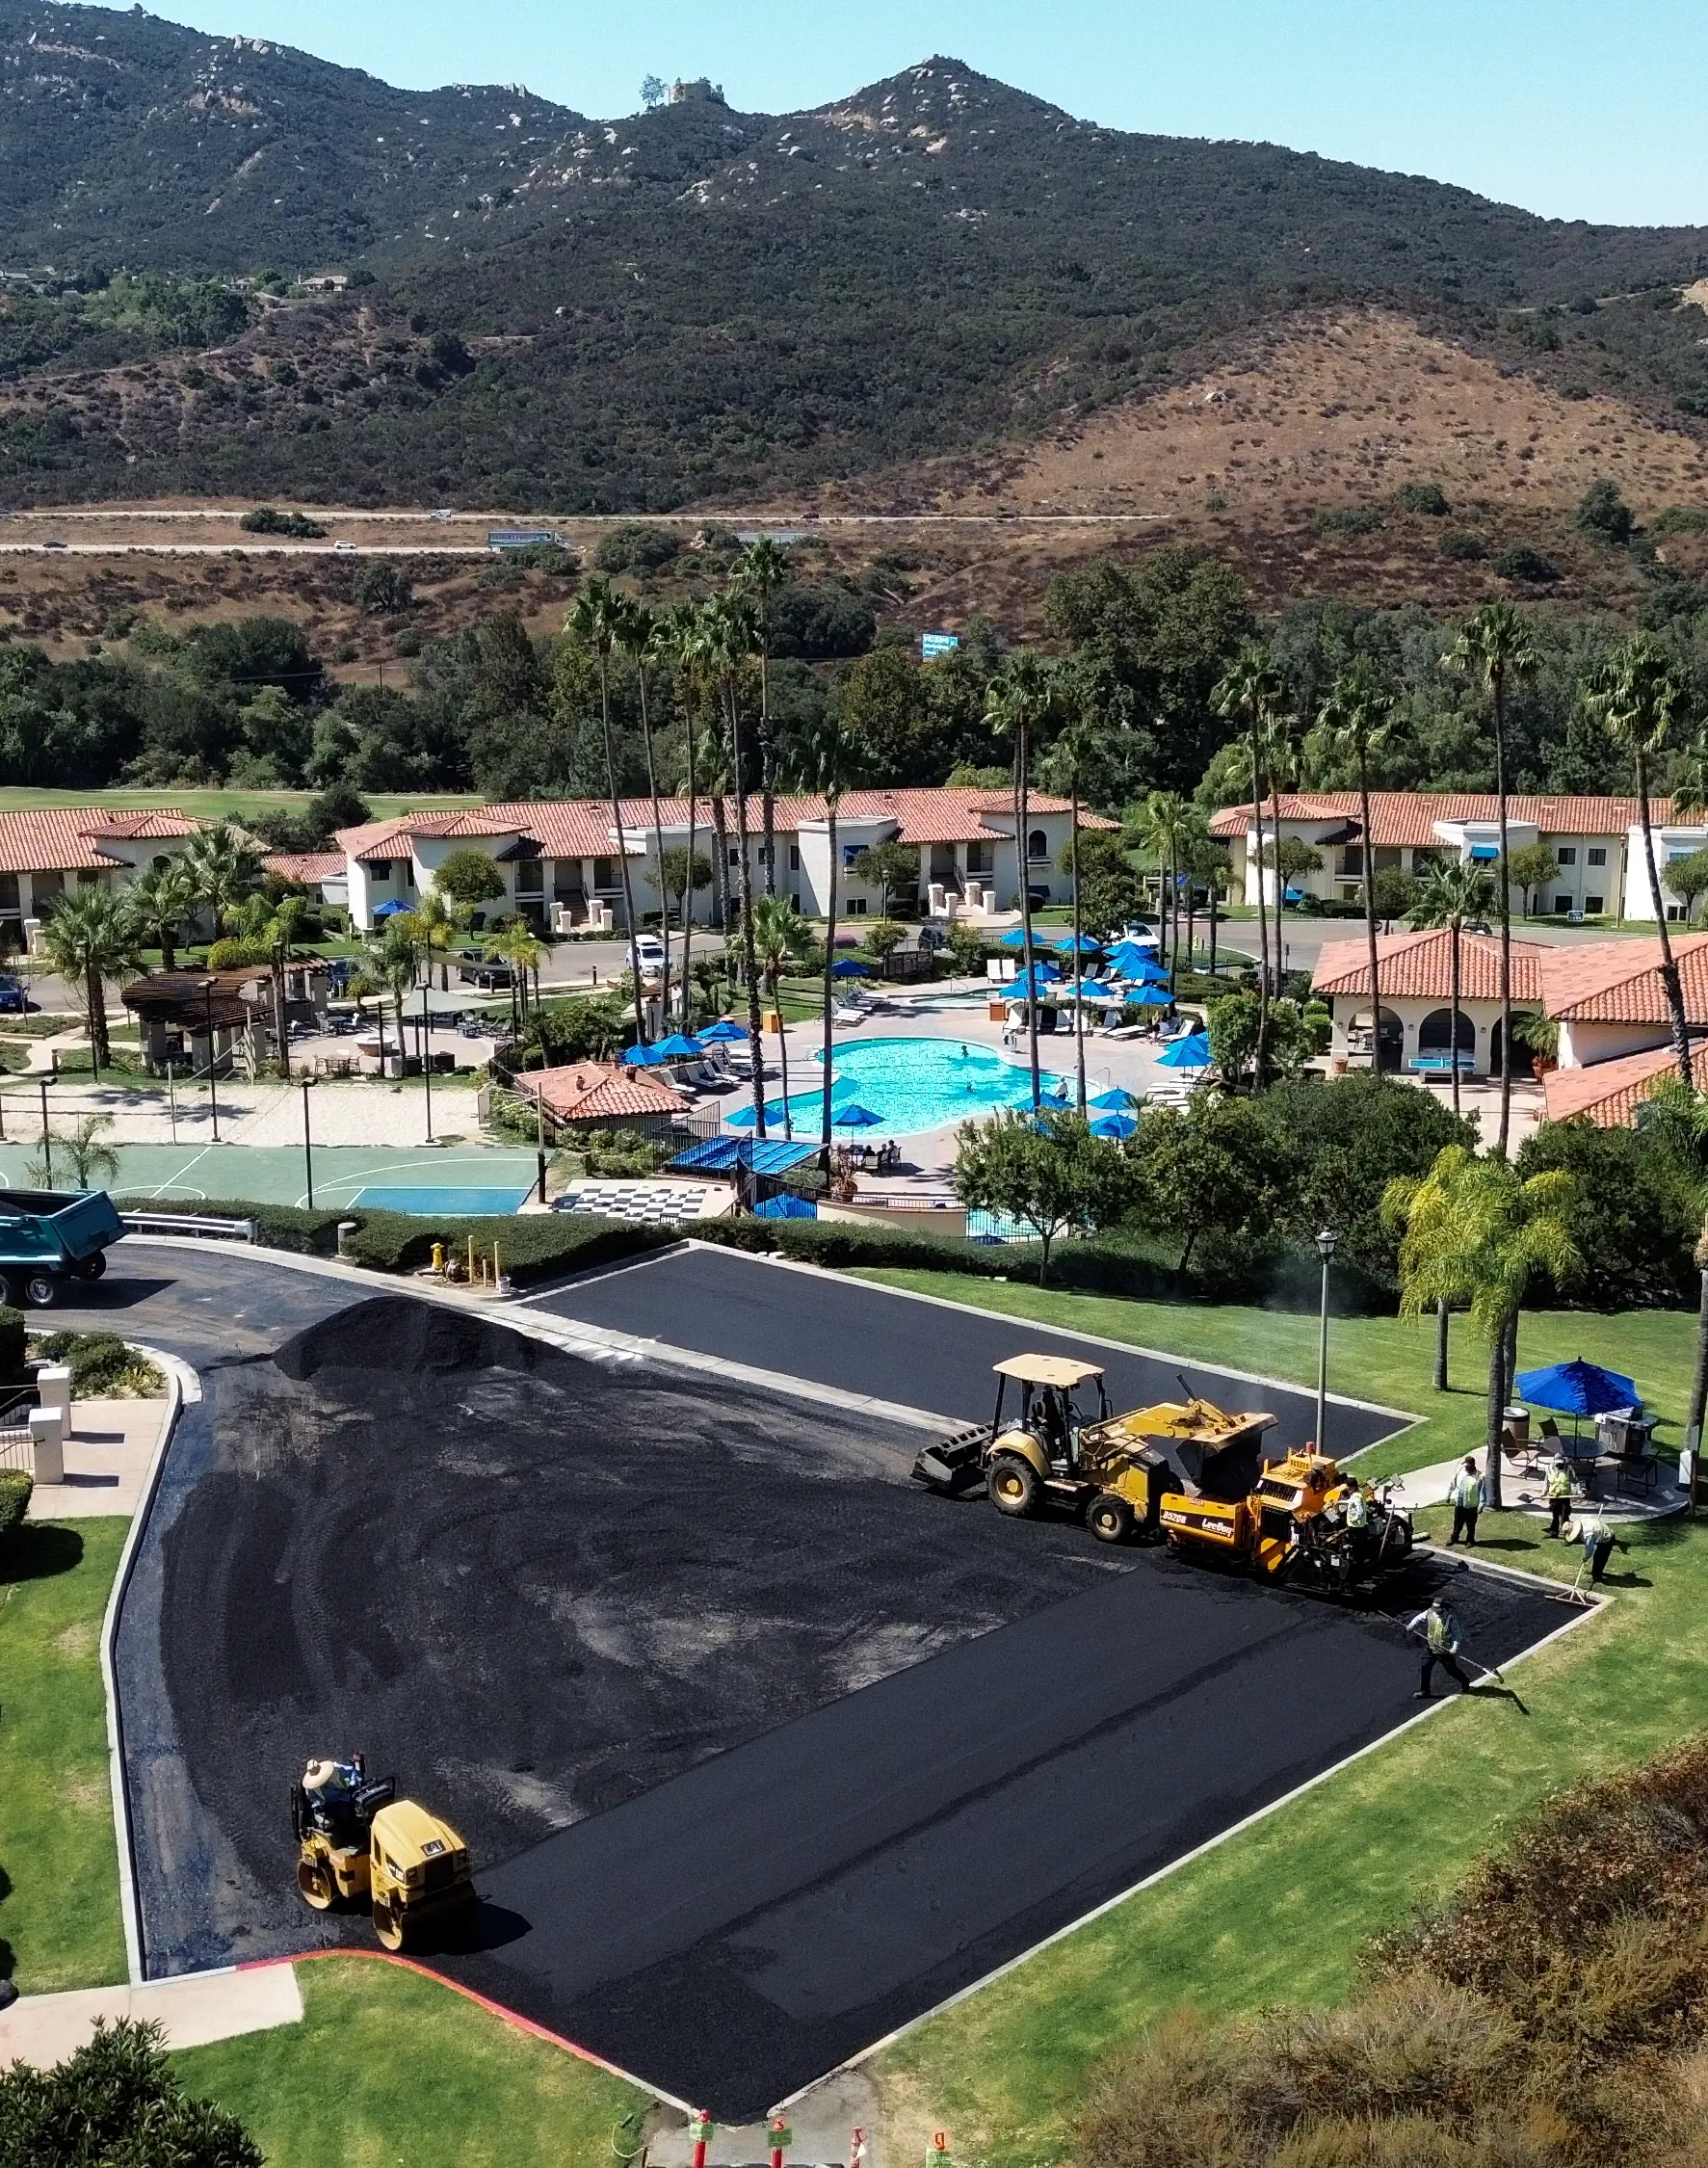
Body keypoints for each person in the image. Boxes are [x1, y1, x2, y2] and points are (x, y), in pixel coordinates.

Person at [1408, 1596, 1475, 1699]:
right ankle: (1425, 1691)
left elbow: (1457, 1635)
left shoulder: (1450, 1619)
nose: (1435, 1611)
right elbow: (1419, 1618)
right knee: (1425, 1667)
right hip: (1430, 1647)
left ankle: (1465, 1682)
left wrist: (1454, 1648)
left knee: (1451, 1670)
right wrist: (1411, 1625)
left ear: (1443, 1608)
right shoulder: (1429, 1612)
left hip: (1444, 1650)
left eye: (1438, 1609)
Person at [1577, 1510, 1622, 1585]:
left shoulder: (1588, 1534)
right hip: (1599, 1534)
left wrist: (1586, 1557)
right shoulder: (1582, 1519)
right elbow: (1590, 1517)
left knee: (1600, 1558)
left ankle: (1597, 1577)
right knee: (1597, 1557)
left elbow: (1590, 1550)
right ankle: (1595, 1572)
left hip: (1607, 1538)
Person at [1446, 1457, 1483, 1547]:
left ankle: (1470, 1540)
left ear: (1472, 1465)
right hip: (1460, 1502)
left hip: (1471, 1504)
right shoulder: (1460, 1473)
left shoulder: (1479, 1476)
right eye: (1465, 1465)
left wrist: (1481, 1506)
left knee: (1470, 1523)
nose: (1465, 1467)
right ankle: (1454, 1538)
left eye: (1467, 1466)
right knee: (1457, 1521)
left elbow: (1482, 1492)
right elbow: (1453, 1483)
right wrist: (1449, 1495)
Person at [1545, 1454, 1573, 1539]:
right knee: (1555, 1515)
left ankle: (1566, 1533)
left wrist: (1579, 1491)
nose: (1559, 1464)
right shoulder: (1549, 1468)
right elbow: (1546, 1481)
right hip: (1554, 1496)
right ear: (1554, 1462)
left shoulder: (1568, 1469)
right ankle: (1554, 1532)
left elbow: (1575, 1481)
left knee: (1565, 1515)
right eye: (1557, 1463)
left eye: (1560, 1463)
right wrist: (1544, 1491)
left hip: (1565, 1496)